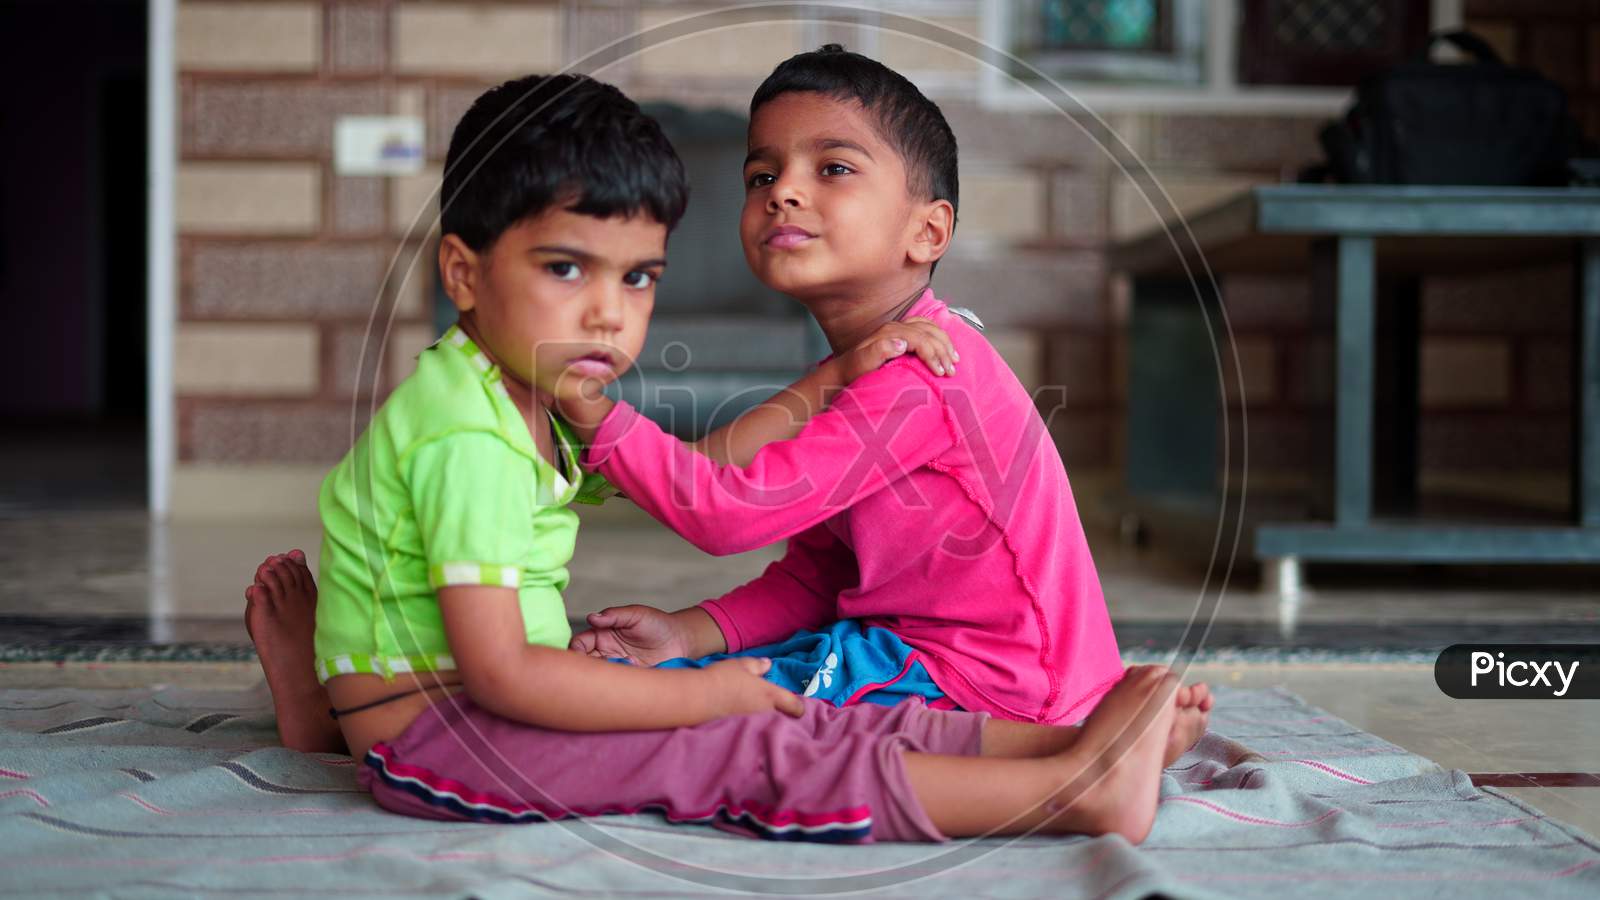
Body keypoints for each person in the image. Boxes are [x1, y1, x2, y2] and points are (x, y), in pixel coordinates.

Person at [244, 71, 1205, 844]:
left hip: (992, 674)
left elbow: (720, 507)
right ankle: (1080, 749)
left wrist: (596, 411)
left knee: (766, 715)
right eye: (761, 174)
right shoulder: (876, 363)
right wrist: (696, 636)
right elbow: (821, 569)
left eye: (833, 168)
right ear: (466, 273)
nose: (783, 188)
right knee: (730, 694)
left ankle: (1077, 768)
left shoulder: (920, 374)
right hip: (917, 649)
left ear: (929, 230)